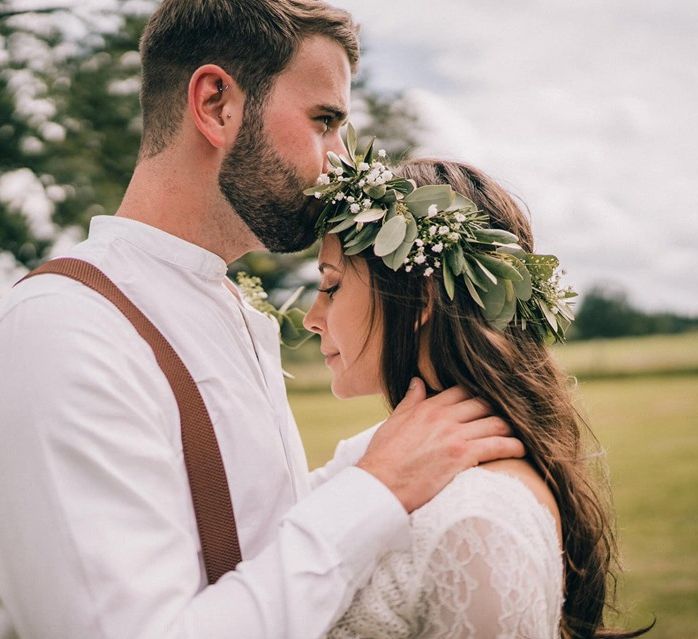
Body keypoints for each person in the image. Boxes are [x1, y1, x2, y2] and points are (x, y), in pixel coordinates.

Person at [0, 2, 524, 638]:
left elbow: (248, 543)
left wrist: (400, 448)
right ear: (217, 103)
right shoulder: (67, 329)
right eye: (324, 121)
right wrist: (376, 491)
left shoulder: (231, 309)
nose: (339, 163)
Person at [303, 156, 649, 638]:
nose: (310, 317)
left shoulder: (477, 524)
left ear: (422, 296)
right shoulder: (374, 457)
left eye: (332, 286)